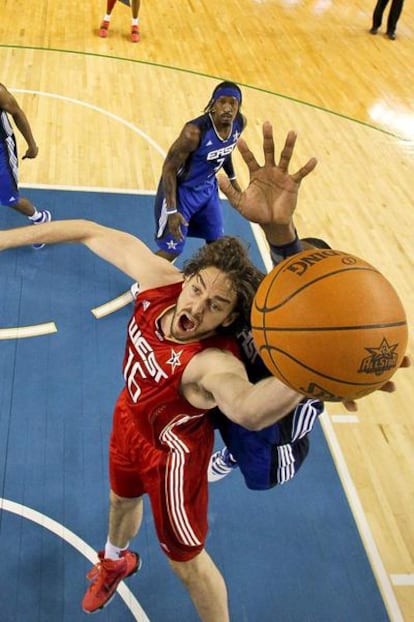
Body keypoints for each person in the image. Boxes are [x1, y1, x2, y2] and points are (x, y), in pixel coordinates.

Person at [0, 124, 406, 621]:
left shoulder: (214, 362)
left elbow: (248, 410)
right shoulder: (161, 282)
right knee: (119, 500)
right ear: (186, 276)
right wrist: (5, 240)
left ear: (229, 320)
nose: (198, 305)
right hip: (129, 417)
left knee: (186, 562)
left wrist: (315, 370)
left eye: (216, 306)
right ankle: (115, 560)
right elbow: (87, 229)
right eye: (198, 289)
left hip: (173, 455)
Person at [154, 81, 247, 262]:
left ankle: (206, 284)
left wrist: (233, 179)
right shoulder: (194, 132)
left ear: (239, 106)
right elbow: (169, 168)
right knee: (172, 250)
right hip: (182, 193)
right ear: (213, 104)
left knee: (216, 245)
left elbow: (225, 150)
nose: (227, 108)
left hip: (208, 191)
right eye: (222, 102)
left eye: (233, 103)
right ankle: (142, 285)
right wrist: (172, 211)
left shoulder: (240, 123)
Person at [0, 83, 51, 249]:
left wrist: (32, 145)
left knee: (10, 199)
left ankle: (40, 218)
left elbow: (17, 113)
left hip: (1, 150)